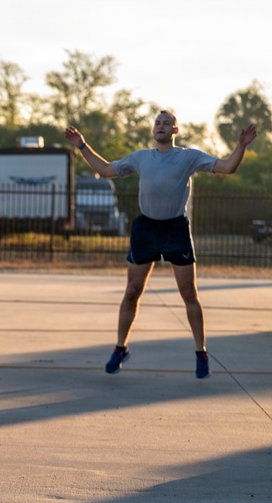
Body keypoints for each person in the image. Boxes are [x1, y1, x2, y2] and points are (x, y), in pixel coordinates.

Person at [64, 110, 256, 379]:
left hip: (175, 229)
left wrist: (241, 146)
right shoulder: (141, 157)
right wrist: (82, 145)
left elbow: (227, 167)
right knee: (132, 291)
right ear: (153, 130)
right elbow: (106, 170)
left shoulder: (188, 157)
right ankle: (120, 348)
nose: (161, 126)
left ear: (175, 131)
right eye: (157, 122)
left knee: (188, 292)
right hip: (146, 229)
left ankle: (201, 353)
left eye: (167, 123)